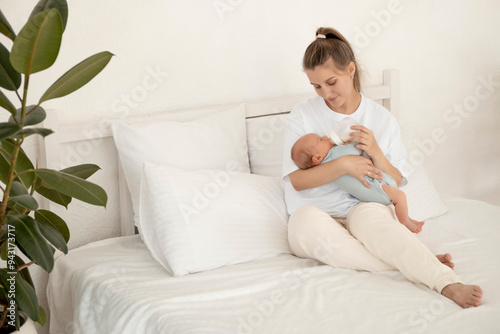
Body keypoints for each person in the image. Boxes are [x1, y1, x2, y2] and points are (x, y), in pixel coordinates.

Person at [282, 27, 483, 308]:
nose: (325, 93)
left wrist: (374, 151)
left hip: (364, 203)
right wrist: (342, 165)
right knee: (302, 224)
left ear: (350, 70)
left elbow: (396, 180)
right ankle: (417, 261)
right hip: (316, 214)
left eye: (331, 82)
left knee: (375, 223)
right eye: (316, 86)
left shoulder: (380, 117)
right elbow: (296, 180)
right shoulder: (303, 114)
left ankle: (445, 282)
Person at [291, 132, 425, 233]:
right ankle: (405, 221)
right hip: (375, 189)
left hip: (373, 189)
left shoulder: (326, 166)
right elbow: (355, 149)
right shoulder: (334, 155)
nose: (325, 136)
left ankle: (406, 220)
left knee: (397, 197)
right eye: (321, 139)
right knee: (400, 197)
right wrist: (351, 141)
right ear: (317, 158)